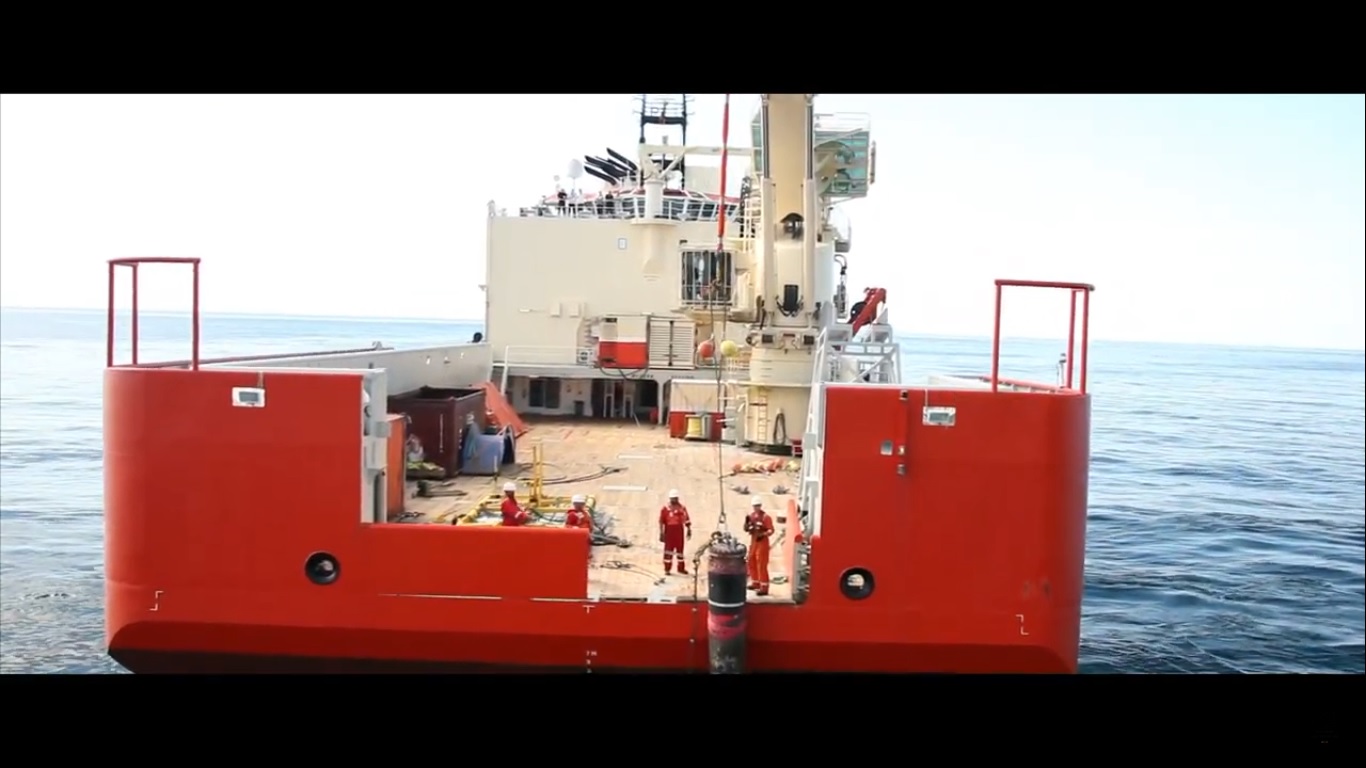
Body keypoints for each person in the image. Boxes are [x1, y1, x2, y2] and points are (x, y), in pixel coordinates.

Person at [743, 495, 774, 595]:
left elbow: (771, 530)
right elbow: (747, 528)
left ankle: (764, 587)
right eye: (755, 506)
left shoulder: (766, 517)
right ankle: (755, 582)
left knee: (761, 564)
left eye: (758, 506)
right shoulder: (751, 516)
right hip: (754, 541)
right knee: (751, 560)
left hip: (762, 542)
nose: (756, 508)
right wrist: (746, 524)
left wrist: (763, 534)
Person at [658, 489, 692, 575]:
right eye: (672, 498)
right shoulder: (665, 509)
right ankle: (667, 569)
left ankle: (681, 568)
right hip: (669, 531)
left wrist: (689, 529)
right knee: (668, 550)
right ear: (670, 498)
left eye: (675, 498)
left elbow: (686, 519)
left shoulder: (682, 508)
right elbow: (661, 521)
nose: (674, 500)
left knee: (680, 550)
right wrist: (661, 533)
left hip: (679, 530)